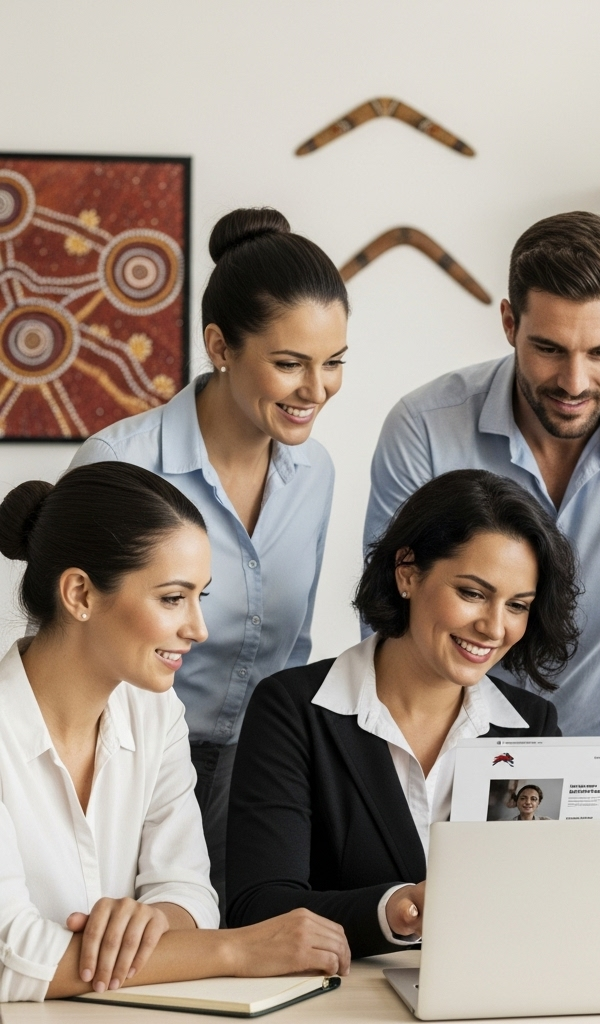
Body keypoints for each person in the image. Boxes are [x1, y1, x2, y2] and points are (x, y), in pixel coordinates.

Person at [363, 211, 600, 736]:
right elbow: (390, 621)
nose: (574, 382)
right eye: (549, 349)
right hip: (452, 745)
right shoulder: (424, 426)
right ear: (509, 324)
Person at [69, 207, 349, 911]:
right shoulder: (121, 465)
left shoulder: (314, 472)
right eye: (289, 363)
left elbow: (295, 646)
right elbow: (71, 646)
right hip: (134, 764)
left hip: (264, 770)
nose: (316, 390)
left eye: (335, 362)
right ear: (220, 346)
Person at [0, 464, 351, 1002]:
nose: (198, 629)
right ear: (80, 594)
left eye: (200, 597)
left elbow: (188, 892)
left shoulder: (156, 711)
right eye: (171, 598)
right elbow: (12, 956)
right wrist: (239, 950)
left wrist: (148, 920)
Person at [227, 470, 579, 957]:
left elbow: (545, 902)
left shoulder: (534, 726)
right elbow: (259, 907)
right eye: (473, 593)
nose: (494, 627)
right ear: (408, 572)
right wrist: (391, 909)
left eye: (517, 605)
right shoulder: (293, 710)